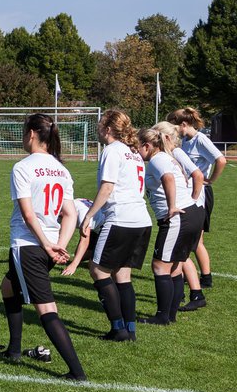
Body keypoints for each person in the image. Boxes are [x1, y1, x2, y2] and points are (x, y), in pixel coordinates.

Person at [0, 113, 86, 381]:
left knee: (47, 309)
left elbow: (28, 215)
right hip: (47, 246)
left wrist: (48, 245)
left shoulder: (23, 167)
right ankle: (13, 350)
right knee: (8, 285)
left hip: (29, 245)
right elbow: (70, 214)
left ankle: (77, 372)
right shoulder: (61, 169)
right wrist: (60, 244)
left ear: (33, 134)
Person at [83, 110, 152, 342]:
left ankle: (117, 328)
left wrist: (89, 215)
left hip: (121, 218)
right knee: (123, 274)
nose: (98, 129)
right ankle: (130, 329)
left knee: (97, 269)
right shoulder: (134, 152)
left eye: (101, 125)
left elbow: (107, 188)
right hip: (141, 219)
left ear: (108, 129)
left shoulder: (112, 150)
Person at [136, 125, 205, 325]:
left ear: (147, 146)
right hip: (190, 214)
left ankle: (162, 316)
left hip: (178, 217)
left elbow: (168, 179)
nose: (136, 151)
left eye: (138, 147)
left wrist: (172, 206)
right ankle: (170, 315)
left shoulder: (158, 160)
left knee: (159, 266)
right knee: (175, 267)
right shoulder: (168, 157)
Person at [168, 107, 227, 288]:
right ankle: (191, 275)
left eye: (175, 126)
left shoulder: (201, 139)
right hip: (190, 192)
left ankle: (206, 278)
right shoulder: (186, 141)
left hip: (201, 193)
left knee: (195, 241)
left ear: (184, 124)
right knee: (191, 239)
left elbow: (221, 160)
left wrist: (211, 180)